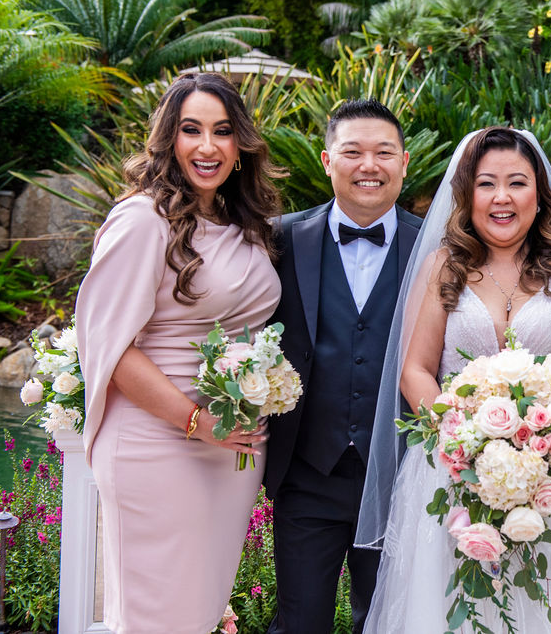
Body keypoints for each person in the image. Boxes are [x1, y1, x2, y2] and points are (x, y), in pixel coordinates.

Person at [356, 127, 551, 633]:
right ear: (467, 194)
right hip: (453, 468)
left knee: (545, 605)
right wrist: (464, 437)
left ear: (539, 195)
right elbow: (415, 371)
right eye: (486, 184)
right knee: (449, 604)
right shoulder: (444, 266)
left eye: (517, 183)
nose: (502, 197)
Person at [76, 72, 283, 633]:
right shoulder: (142, 220)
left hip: (230, 453)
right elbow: (112, 347)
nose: (207, 146)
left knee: (198, 613)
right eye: (191, 130)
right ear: (169, 139)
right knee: (157, 617)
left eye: (222, 131)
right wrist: (197, 420)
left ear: (241, 145)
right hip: (158, 444)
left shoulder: (245, 225)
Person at [263, 99, 422, 634]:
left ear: (404, 162)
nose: (369, 166)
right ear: (328, 160)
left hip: (402, 478)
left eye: (384, 153)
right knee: (299, 622)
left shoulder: (438, 246)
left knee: (387, 623)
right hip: (308, 475)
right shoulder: (280, 239)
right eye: (353, 152)